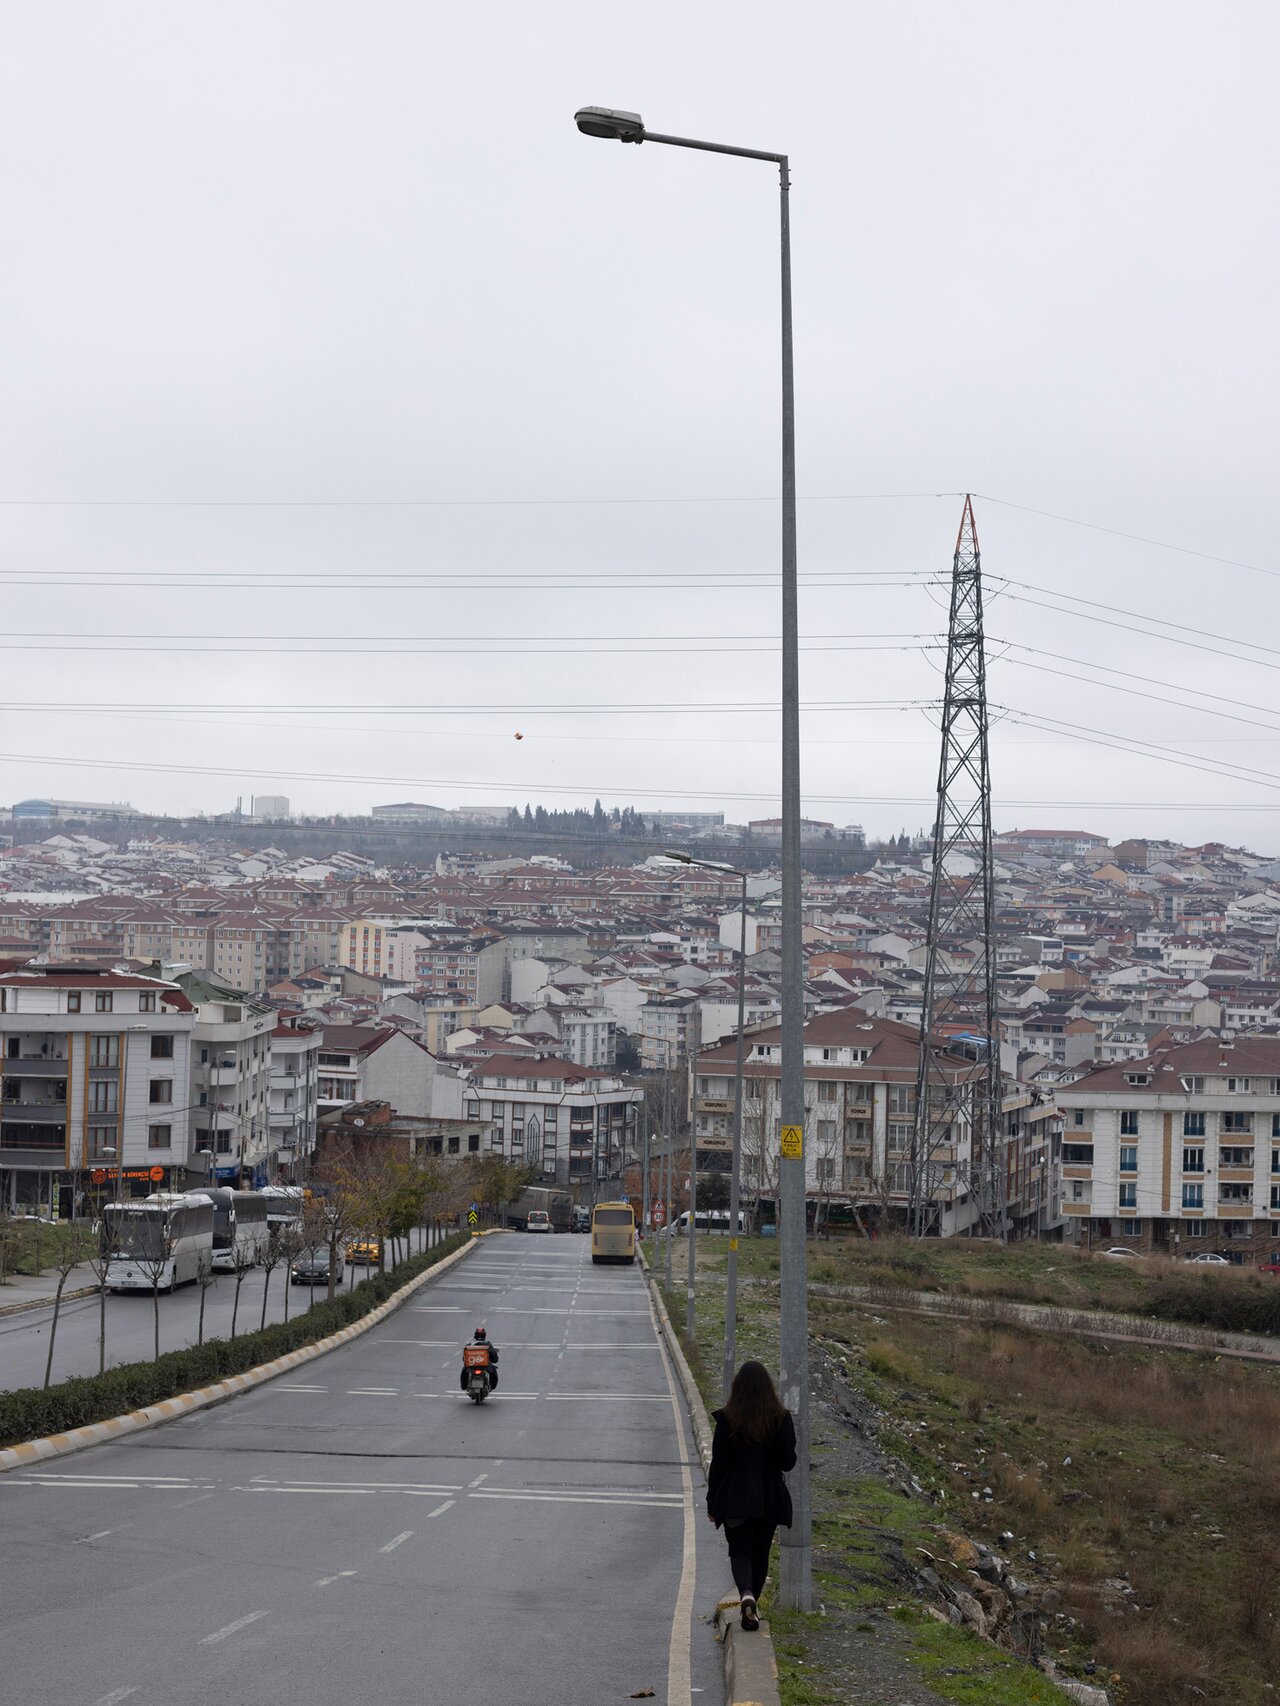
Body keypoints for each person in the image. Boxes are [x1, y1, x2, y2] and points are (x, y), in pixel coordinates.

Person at [706, 1360, 797, 1631]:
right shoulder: (780, 1418)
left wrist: (713, 1502)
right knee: (760, 1552)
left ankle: (745, 1594)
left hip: (735, 1496)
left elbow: (719, 1463)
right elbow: (788, 1462)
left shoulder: (727, 1418)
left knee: (740, 1549)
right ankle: (752, 1603)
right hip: (768, 1497)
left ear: (738, 1388)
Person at [459, 1324, 499, 1393]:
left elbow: (464, 1359)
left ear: (475, 1335)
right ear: (485, 1335)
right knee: (494, 1372)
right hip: (485, 1366)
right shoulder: (488, 1344)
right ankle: (491, 1386)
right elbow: (494, 1359)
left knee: (464, 1371)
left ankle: (465, 1386)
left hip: (472, 1366)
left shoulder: (470, 1344)